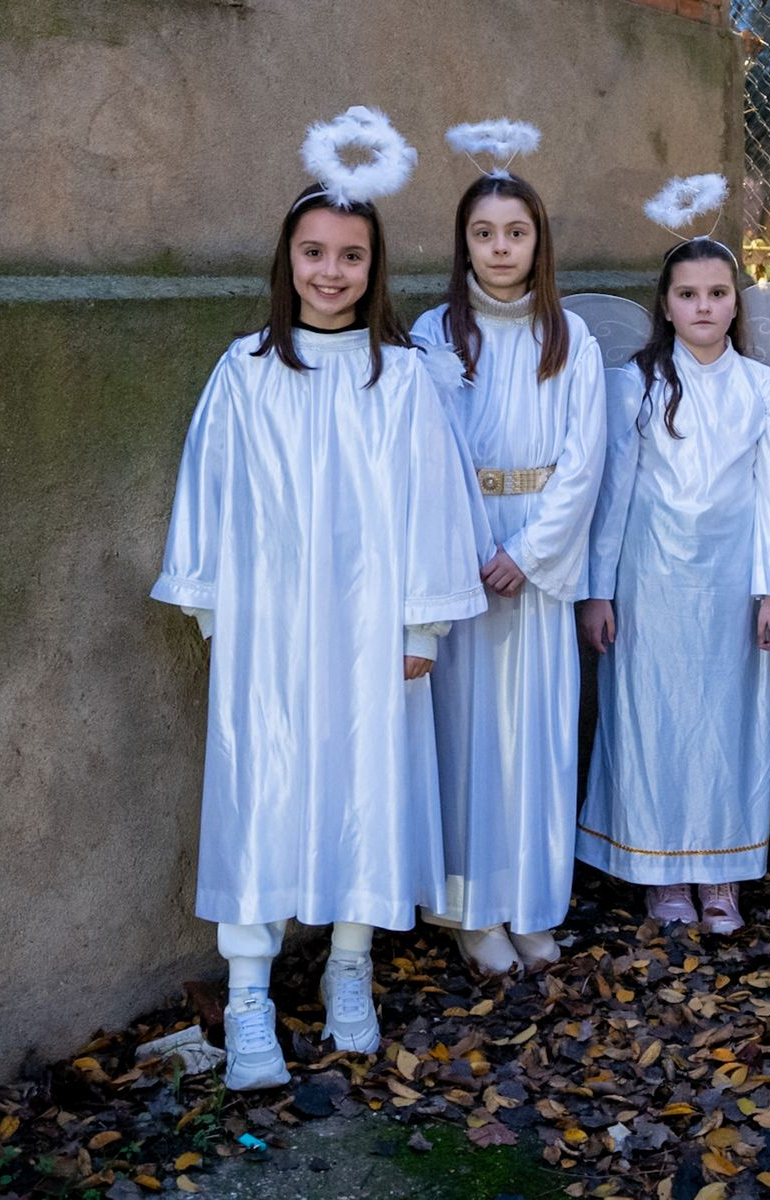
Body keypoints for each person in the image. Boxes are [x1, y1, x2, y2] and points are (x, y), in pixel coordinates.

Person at [151, 147, 488, 1090]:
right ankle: (248, 993)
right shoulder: (245, 371)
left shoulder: (402, 379)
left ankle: (349, 962)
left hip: (372, 626)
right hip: (267, 632)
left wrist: (421, 628)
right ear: (286, 259)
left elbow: (431, 503)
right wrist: (218, 620)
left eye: (350, 255)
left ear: (374, 268)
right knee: (260, 788)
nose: (330, 272)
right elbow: (210, 493)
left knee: (365, 782)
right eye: (313, 252)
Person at [411, 173, 606, 975]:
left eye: (515, 233)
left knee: (536, 737)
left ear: (538, 241)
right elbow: (424, 449)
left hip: (535, 561)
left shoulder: (571, 337)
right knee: (469, 737)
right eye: (484, 233)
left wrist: (527, 552)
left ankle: (530, 900)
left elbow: (586, 458)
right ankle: (472, 909)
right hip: (462, 551)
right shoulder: (434, 334)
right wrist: (466, 546)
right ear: (463, 241)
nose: (500, 249)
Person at [574, 236, 770, 934]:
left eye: (718, 294)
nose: (703, 307)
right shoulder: (634, 384)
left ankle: (720, 870)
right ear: (664, 305)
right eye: (688, 294)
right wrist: (598, 590)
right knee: (652, 716)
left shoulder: (760, 387)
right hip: (650, 582)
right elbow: (612, 493)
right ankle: (661, 869)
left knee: (727, 718)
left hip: (730, 585)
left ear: (736, 304)